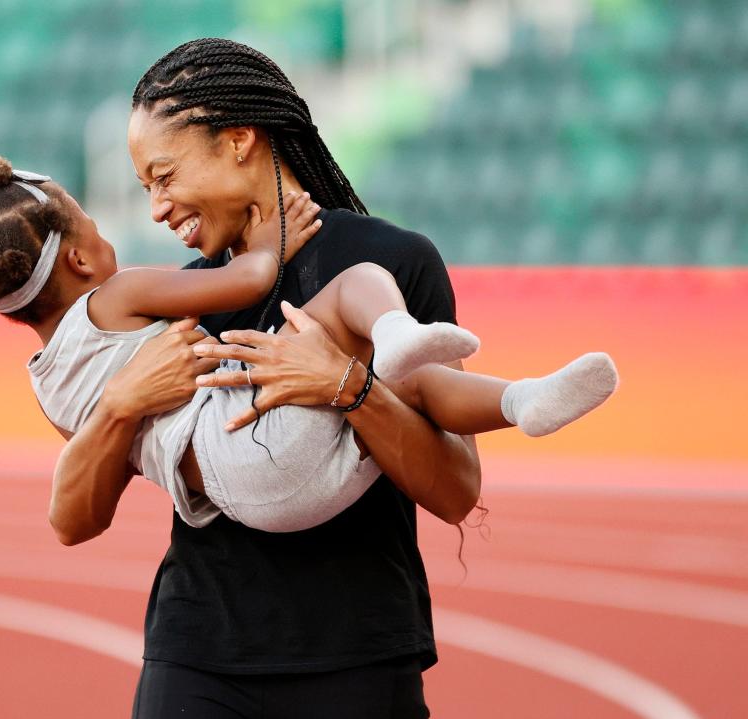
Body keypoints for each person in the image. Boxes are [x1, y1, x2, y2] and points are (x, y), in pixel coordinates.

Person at [45, 38, 608, 718]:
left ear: (239, 140)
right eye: (146, 190)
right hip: (198, 655)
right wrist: (119, 405)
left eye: (163, 176)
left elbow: (457, 489)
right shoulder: (180, 298)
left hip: (359, 656)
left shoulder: (392, 261)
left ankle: (518, 398)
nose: (158, 208)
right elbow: (74, 520)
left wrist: (349, 387)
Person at [0, 157, 616, 532]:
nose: (146, 210)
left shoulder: (46, 383)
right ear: (79, 261)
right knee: (359, 290)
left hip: (248, 501)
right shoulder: (115, 295)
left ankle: (523, 399)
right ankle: (402, 333)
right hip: (251, 432)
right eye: (92, 222)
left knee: (392, 383)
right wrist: (275, 235)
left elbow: (88, 483)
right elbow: (252, 275)